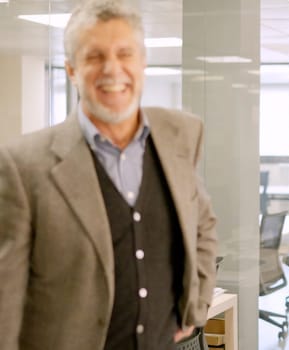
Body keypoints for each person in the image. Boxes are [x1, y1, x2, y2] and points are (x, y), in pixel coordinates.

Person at [0, 1, 218, 349]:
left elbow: (203, 226)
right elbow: (5, 301)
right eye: (94, 56)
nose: (112, 69)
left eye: (125, 53)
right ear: (71, 70)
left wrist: (196, 307)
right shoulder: (22, 165)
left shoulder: (180, 135)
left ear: (143, 63)